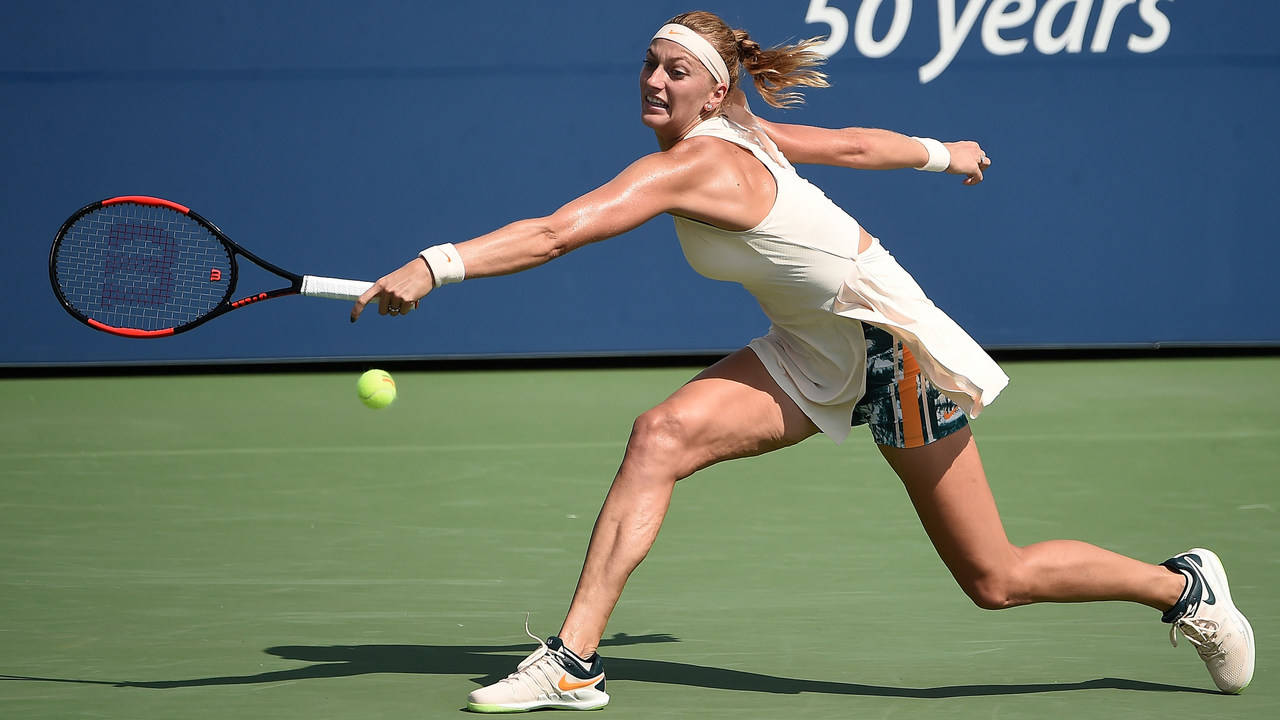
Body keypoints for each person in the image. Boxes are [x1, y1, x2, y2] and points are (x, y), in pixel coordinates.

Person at [350, 11, 1255, 712]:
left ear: (713, 93)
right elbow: (854, 146)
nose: (656, 80)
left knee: (995, 579)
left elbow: (554, 234)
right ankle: (574, 663)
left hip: (890, 349)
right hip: (811, 350)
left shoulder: (694, 163)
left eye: (679, 71)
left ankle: (1181, 587)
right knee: (660, 435)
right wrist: (949, 154)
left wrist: (434, 265)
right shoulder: (742, 129)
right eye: (652, 64)